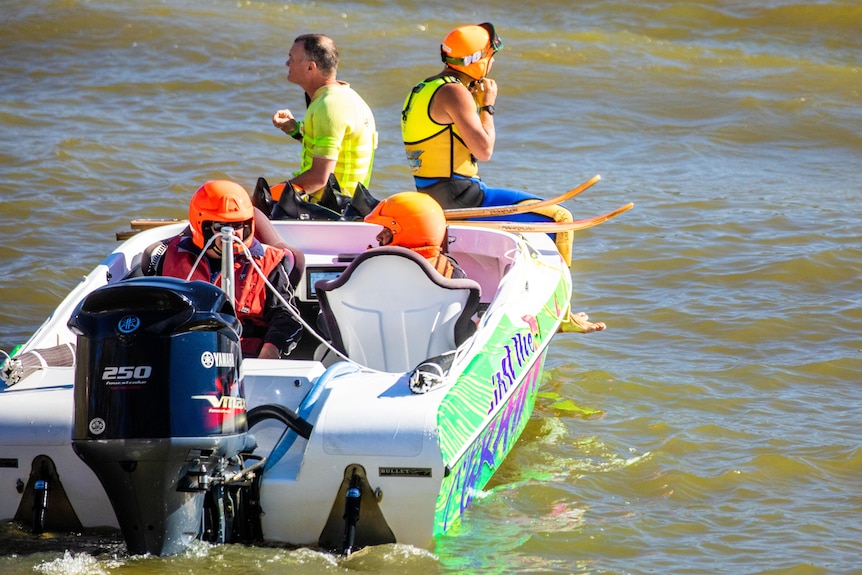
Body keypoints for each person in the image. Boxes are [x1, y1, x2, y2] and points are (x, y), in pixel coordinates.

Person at [400, 22, 577, 268]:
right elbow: (484, 150)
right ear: (479, 61)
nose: (493, 63)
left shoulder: (422, 89)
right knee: (560, 219)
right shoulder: (454, 92)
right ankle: (563, 307)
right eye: (491, 56)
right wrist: (487, 106)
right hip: (463, 198)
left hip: (433, 196)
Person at [143, 180, 303, 358]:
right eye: (221, 227)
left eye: (238, 225)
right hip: (186, 353)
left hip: (247, 356)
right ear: (201, 225)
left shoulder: (269, 262)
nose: (232, 233)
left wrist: (271, 350)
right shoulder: (168, 256)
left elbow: (287, 318)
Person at [272, 34, 378, 203]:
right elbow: (336, 146)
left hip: (330, 213)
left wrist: (268, 197)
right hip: (349, 208)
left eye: (291, 58)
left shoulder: (329, 106)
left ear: (310, 67)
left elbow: (319, 178)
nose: (287, 63)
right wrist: (295, 130)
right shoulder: (347, 97)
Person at [363, 191, 466, 279]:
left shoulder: (375, 270)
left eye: (388, 231)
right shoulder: (452, 273)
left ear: (409, 232)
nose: (378, 237)